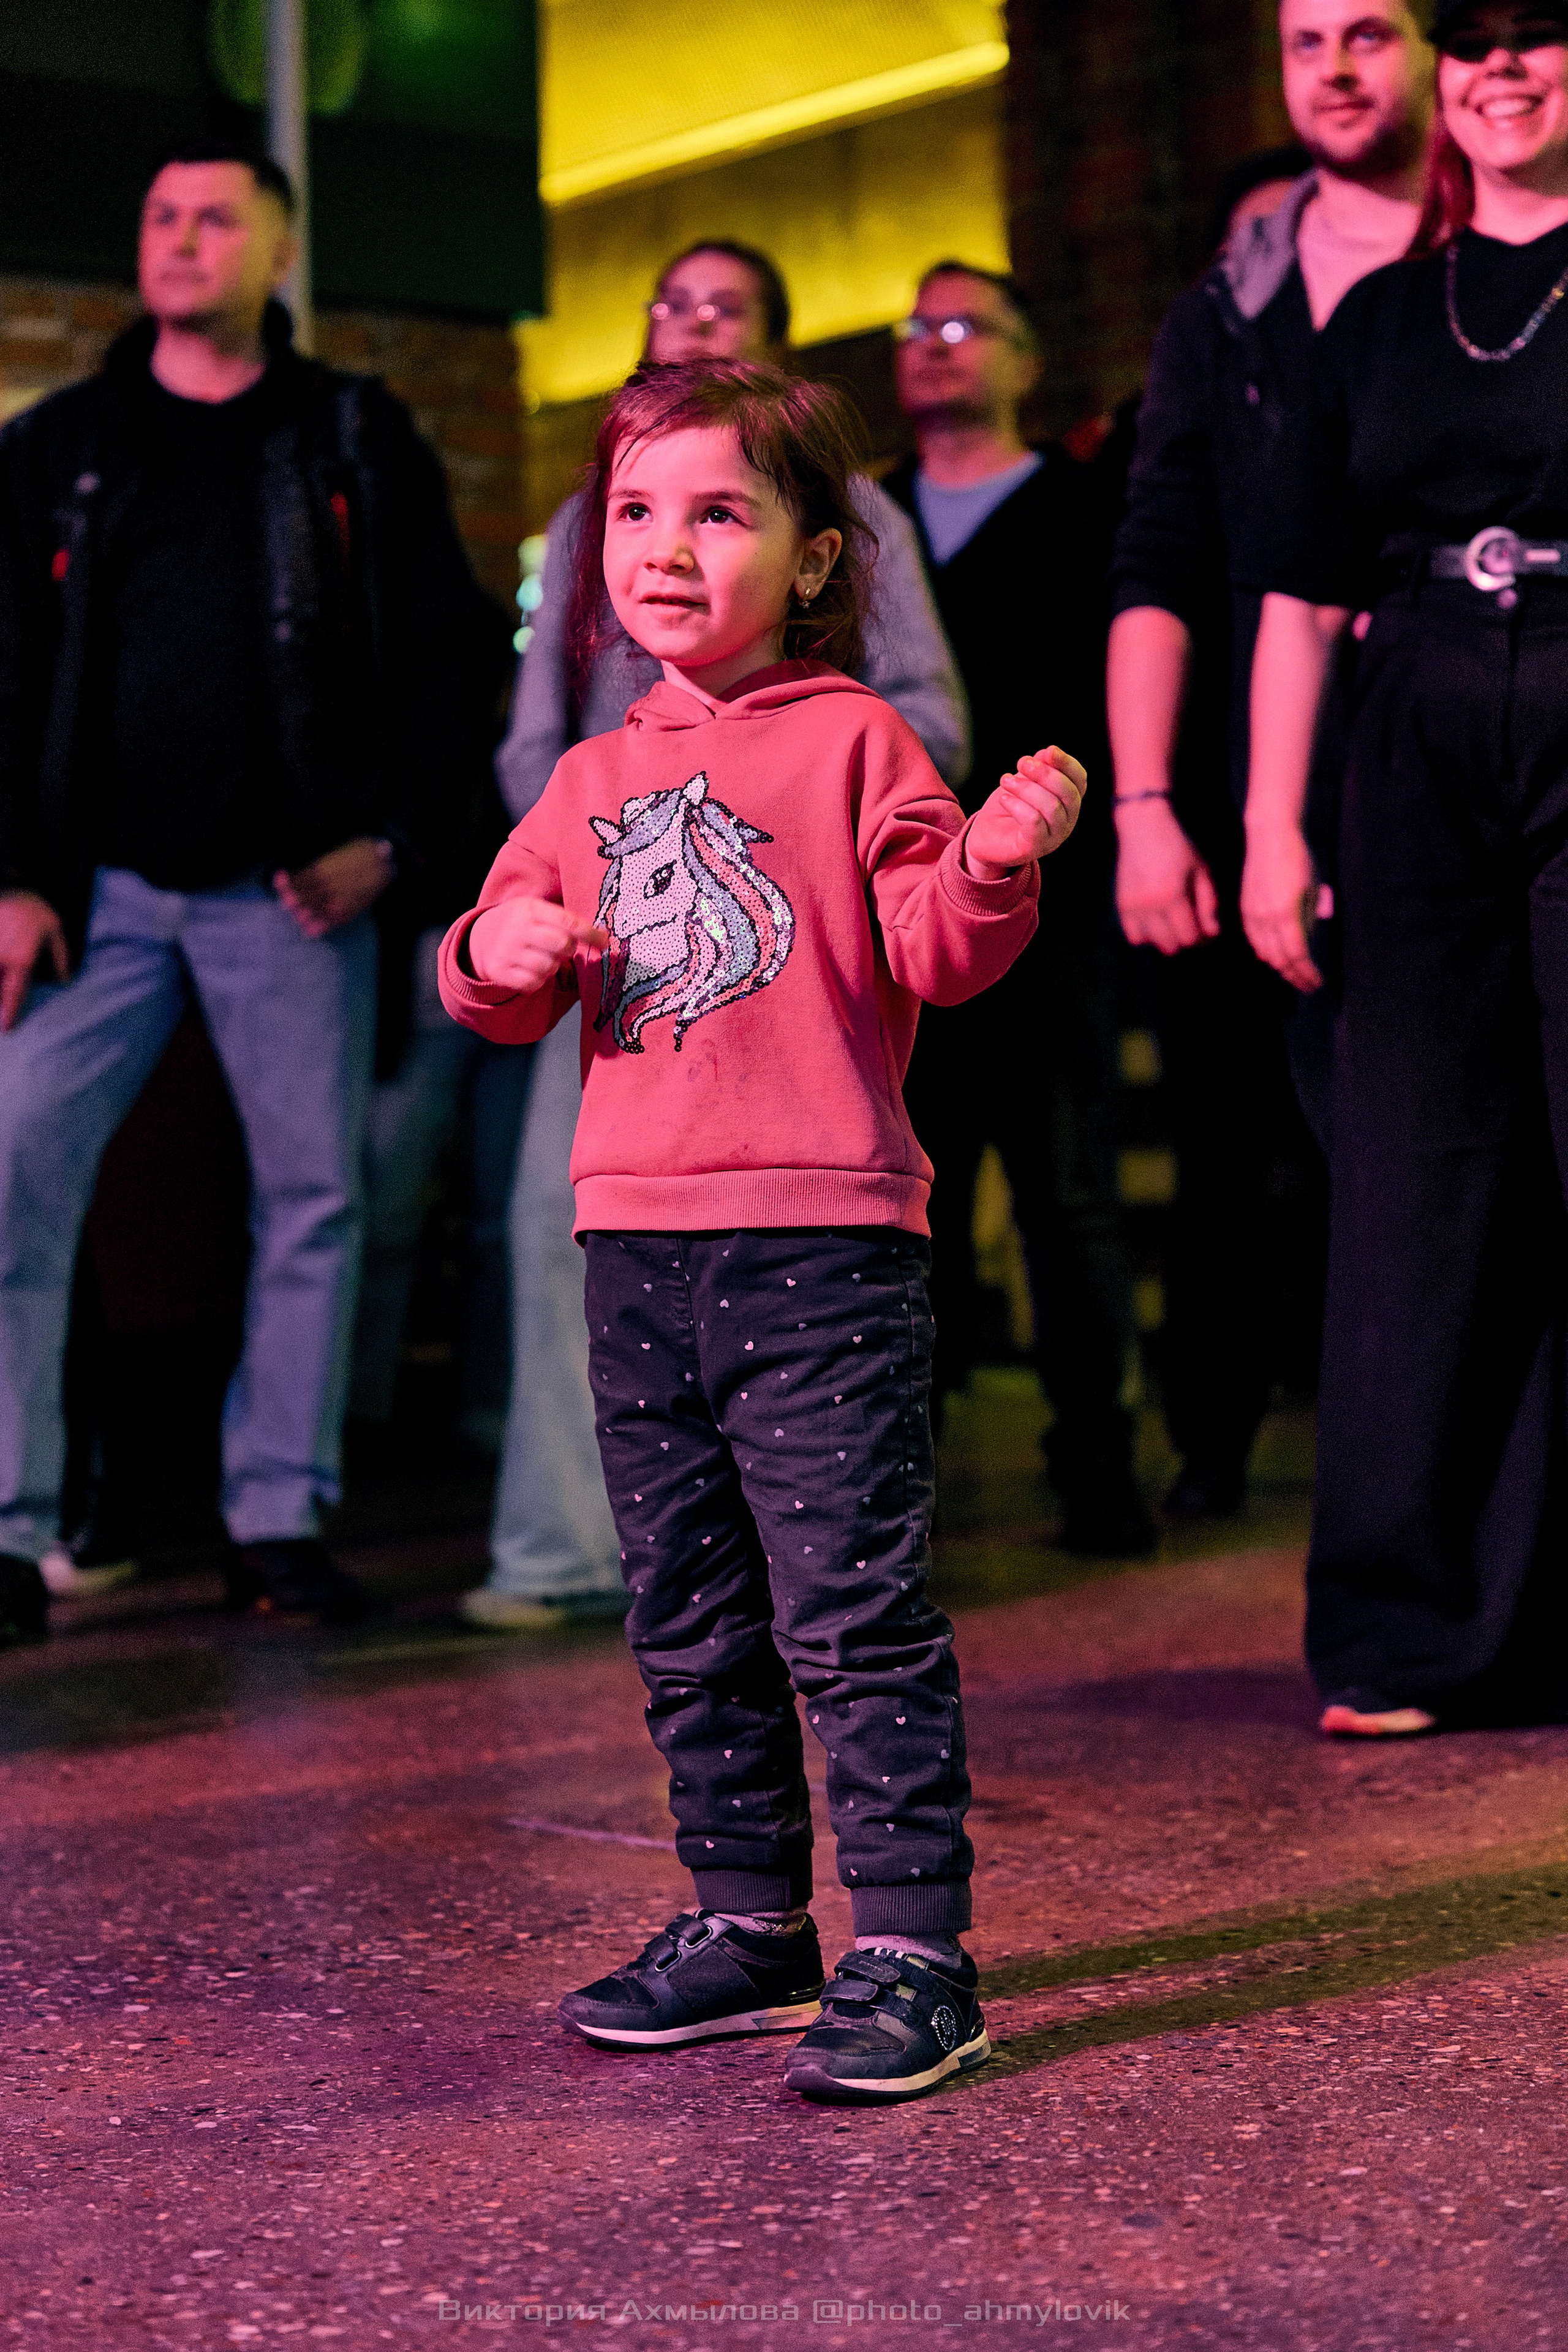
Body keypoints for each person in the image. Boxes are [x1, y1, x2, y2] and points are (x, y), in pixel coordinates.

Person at [439, 358, 1085, 2099]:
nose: (664, 547)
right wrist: (494, 959)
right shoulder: (584, 774)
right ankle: (746, 1920)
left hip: (821, 1242)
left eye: (719, 511)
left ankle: (908, 1949)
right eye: (635, 512)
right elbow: (496, 952)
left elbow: (939, 948)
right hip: (635, 1250)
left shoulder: (859, 739)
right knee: (686, 1608)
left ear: (813, 555)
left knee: (850, 1607)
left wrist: (999, 859)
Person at [0, 141, 492, 1644]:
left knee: (314, 1202)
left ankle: (277, 1517)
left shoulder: (350, 438)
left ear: (279, 250)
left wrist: (397, 844)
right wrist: (15, 876)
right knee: (15, 1175)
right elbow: (8, 672)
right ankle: (13, 1533)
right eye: (160, 215)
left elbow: (443, 664)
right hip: (100, 897)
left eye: (216, 217)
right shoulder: (64, 446)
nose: (180, 239)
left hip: (296, 896)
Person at [464, 239, 970, 1629]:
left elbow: (926, 713)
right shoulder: (591, 526)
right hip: (617, 923)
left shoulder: (847, 512)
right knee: (564, 1231)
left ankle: (804, 1562)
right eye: (667, 300)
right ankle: (563, 1550)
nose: (662, 546)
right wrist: (555, 886)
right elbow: (536, 743)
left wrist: (770, 785)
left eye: (722, 308)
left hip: (773, 928)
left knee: (793, 1302)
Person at [1240, 0, 1568, 1736]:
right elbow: (1295, 597)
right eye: (1484, 41)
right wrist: (1268, 831)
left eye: (1546, 38)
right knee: (1418, 1181)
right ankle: (1410, 1628)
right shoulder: (1370, 316)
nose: (1508, 69)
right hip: (1413, 728)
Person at [1107, 0, 1434, 1518]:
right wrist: (1147, 808)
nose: (1338, 67)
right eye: (1306, 42)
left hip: (1464, 746)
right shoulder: (1224, 315)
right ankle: (1247, 1450)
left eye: (1369, 32)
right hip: (1263, 774)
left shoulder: (1491, 263)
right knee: (1286, 1146)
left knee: (1448, 1164)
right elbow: (1159, 562)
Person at [883, 261, 1152, 1556]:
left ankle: (1097, 1464)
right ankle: (901, 1483)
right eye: (914, 329)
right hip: (897, 907)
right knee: (910, 1198)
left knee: (1065, 1192)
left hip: (1053, 897)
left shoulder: (1081, 507)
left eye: (962, 327)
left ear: (1023, 359)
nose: (934, 348)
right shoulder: (861, 514)